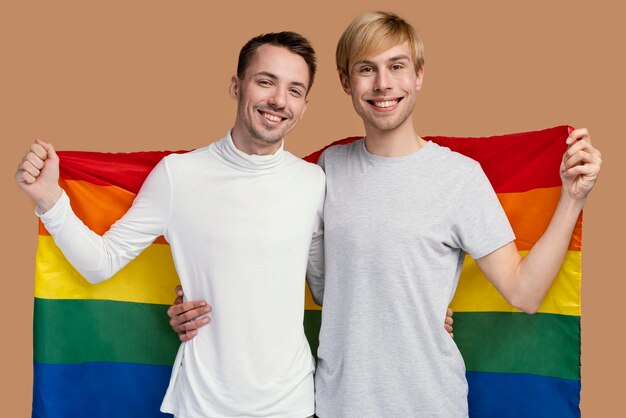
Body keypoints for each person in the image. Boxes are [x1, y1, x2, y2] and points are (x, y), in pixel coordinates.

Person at [169, 11, 602, 417]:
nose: (382, 84)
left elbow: (524, 293)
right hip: (338, 404)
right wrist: (193, 296)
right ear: (346, 82)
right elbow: (266, 249)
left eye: (397, 66)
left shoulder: (460, 178)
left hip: (431, 403)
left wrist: (572, 199)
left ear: (419, 76)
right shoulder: (323, 171)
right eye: (366, 69)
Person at [16, 31, 326, 418]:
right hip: (203, 405)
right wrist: (49, 200)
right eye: (266, 81)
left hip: (291, 405)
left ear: (305, 104)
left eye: (294, 90)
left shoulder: (313, 183)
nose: (279, 100)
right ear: (236, 86)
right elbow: (101, 263)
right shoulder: (179, 176)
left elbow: (326, 288)